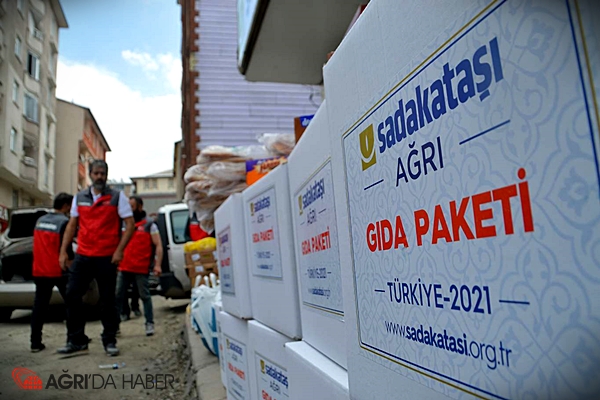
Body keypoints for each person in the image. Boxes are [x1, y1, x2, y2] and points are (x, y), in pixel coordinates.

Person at [58, 160, 135, 356]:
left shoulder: (117, 197)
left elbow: (130, 224)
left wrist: (119, 250)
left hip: (107, 257)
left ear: (106, 176)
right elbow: (72, 225)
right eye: (96, 173)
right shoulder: (79, 197)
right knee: (72, 294)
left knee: (108, 300)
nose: (99, 177)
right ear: (90, 175)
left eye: (103, 173)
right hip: (83, 255)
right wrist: (63, 251)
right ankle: (76, 340)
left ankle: (109, 340)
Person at [30, 193, 74, 352]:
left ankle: (35, 343)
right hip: (58, 270)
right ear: (66, 206)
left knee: (39, 307)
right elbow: (67, 248)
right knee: (72, 304)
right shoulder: (64, 222)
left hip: (40, 269)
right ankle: (74, 338)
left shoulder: (40, 220)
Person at [116, 196, 162, 336]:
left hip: (141, 268)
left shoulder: (149, 225)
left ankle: (149, 323)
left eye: (132, 206)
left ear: (140, 207)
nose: (128, 210)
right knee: (118, 295)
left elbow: (158, 245)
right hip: (124, 267)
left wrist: (158, 265)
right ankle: (114, 325)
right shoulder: (123, 224)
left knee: (145, 296)